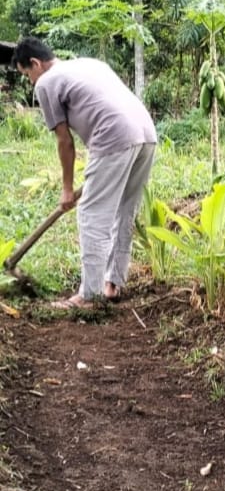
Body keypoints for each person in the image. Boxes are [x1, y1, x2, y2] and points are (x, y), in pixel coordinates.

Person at [13, 37, 157, 309]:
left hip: (113, 137)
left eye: (26, 74)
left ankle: (89, 295)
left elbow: (64, 141)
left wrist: (67, 188)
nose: (30, 82)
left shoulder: (46, 82)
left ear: (35, 64)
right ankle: (112, 284)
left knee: (91, 213)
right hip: (147, 133)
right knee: (125, 210)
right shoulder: (88, 64)